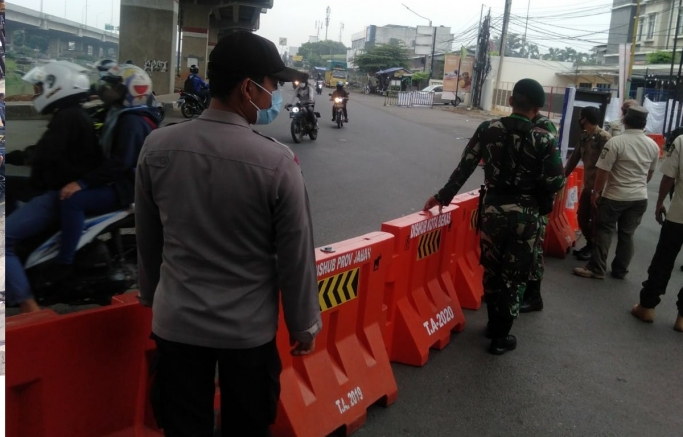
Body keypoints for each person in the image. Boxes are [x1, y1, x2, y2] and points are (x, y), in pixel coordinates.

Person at [136, 31, 321, 436]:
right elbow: (296, 256)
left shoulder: (157, 147)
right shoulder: (276, 163)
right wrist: (304, 324)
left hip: (177, 327)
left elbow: (148, 240)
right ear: (247, 87)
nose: (276, 95)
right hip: (247, 336)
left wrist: (151, 296)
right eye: (273, 85)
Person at [423, 78, 565, 355]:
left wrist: (442, 196)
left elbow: (464, 167)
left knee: (492, 268)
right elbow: (556, 183)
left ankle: (491, 323)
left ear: (511, 101)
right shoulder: (544, 138)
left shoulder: (488, 129)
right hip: (527, 217)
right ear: (538, 108)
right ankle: (501, 335)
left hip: (492, 211)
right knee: (515, 275)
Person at [5, 61, 104, 313]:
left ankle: (29, 307)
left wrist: (12, 156)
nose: (37, 92)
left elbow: (42, 153)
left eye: (40, 87)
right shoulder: (71, 114)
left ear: (56, 86)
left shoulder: (68, 118)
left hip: (55, 193)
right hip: (52, 185)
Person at [574, 106, 659, 280]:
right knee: (627, 234)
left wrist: (596, 193)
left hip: (615, 195)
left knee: (603, 230)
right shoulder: (653, 145)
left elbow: (603, 171)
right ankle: (620, 270)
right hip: (639, 197)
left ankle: (597, 268)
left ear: (625, 121)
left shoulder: (616, 142)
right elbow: (649, 173)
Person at [631, 133, 683, 332]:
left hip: (678, 216)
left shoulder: (681, 141)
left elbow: (669, 177)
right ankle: (681, 318)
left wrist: (660, 203)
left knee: (663, 261)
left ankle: (647, 307)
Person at [520, 113, 559, 313]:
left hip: (537, 198)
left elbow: (550, 165)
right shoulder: (527, 123)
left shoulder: (544, 126)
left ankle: (534, 296)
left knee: (535, 249)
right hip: (528, 198)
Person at [563, 106, 612, 261]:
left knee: (595, 221)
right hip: (588, 185)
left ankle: (594, 251)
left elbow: (608, 165)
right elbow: (574, 158)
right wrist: (562, 175)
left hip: (600, 187)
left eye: (581, 116)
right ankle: (590, 244)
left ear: (586, 119)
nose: (579, 119)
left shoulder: (604, 138)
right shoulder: (585, 136)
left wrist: (598, 190)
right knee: (583, 217)